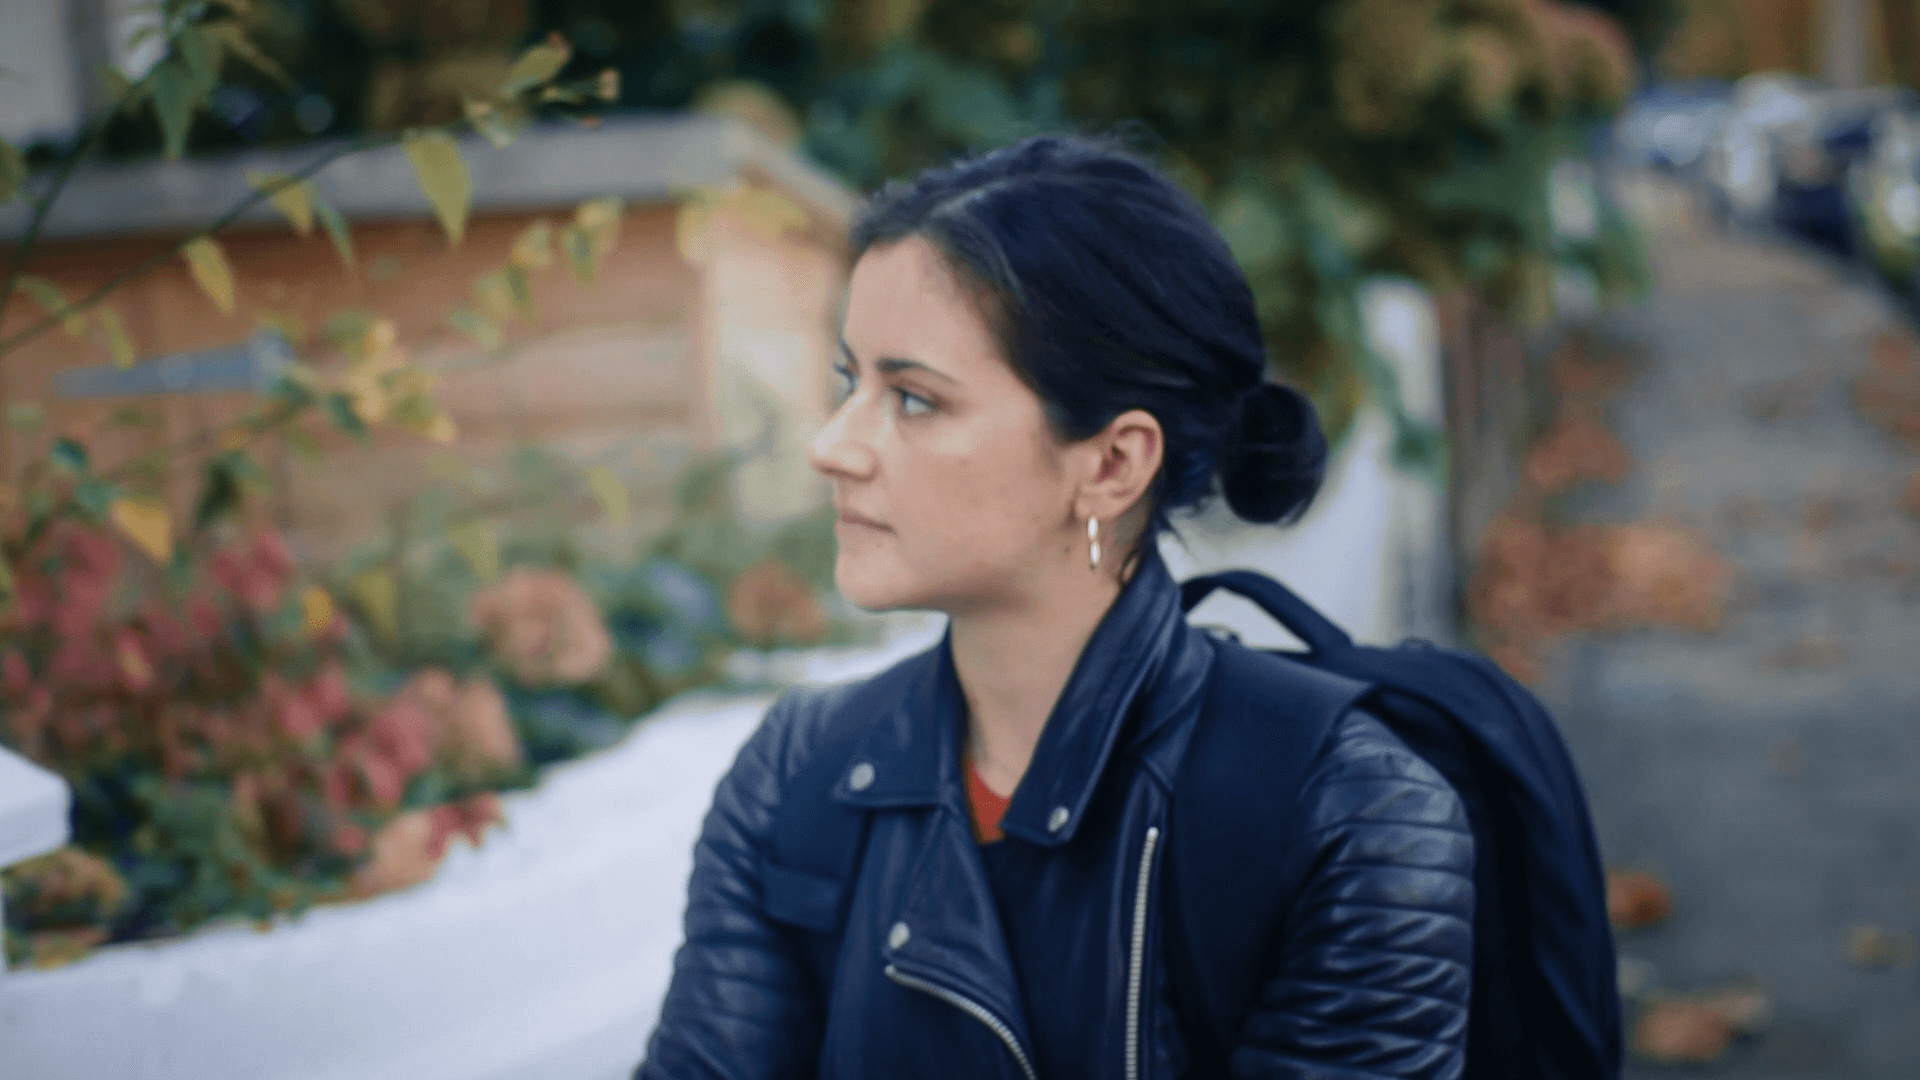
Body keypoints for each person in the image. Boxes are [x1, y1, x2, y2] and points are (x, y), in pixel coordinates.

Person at [638, 134, 1474, 1080]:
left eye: (912, 399)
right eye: (849, 382)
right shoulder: (798, 773)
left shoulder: (1351, 817)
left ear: (1112, 465)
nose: (833, 444)